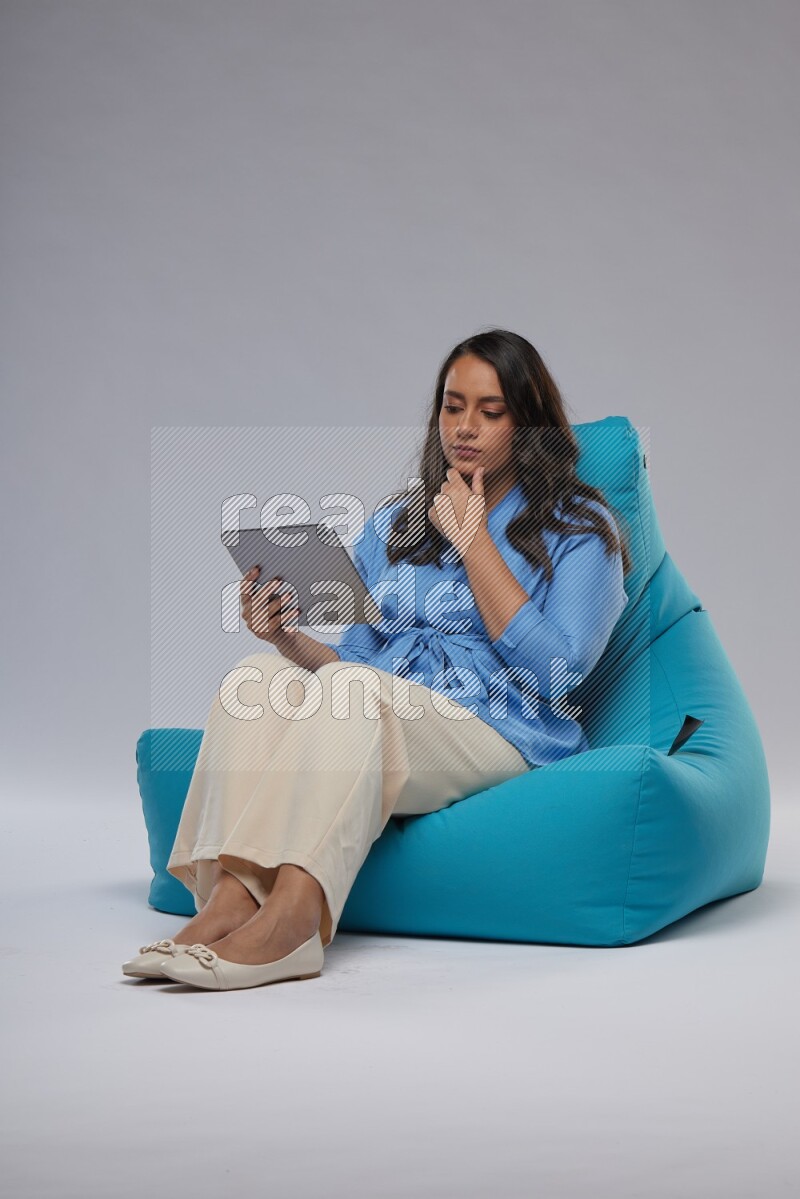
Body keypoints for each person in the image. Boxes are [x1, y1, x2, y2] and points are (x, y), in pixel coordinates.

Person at [122, 328, 631, 990]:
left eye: (490, 411)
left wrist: (476, 543)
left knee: (353, 692)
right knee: (258, 677)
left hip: (502, 728)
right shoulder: (400, 523)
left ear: (528, 423)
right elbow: (355, 660)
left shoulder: (579, 527)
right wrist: (287, 638)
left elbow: (560, 669)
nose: (465, 427)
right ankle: (225, 904)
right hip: (385, 712)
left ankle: (292, 924)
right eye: (452, 406)